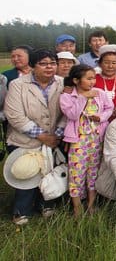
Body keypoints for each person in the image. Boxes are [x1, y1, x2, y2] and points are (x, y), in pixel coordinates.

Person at [4, 49, 66, 225]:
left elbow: (67, 112)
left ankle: (46, 205)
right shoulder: (17, 85)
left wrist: (57, 135)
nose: (49, 67)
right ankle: (21, 211)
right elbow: (15, 115)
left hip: (54, 139)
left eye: (52, 63)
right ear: (32, 66)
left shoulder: (62, 83)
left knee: (49, 172)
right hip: (24, 139)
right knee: (27, 173)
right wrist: (42, 136)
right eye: (43, 63)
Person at [60, 64, 114, 217]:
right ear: (76, 80)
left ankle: (91, 204)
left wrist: (101, 117)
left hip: (96, 139)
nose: (92, 82)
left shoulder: (100, 93)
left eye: (94, 78)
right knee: (76, 172)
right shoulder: (67, 96)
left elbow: (109, 108)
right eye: (88, 79)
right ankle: (77, 207)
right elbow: (72, 115)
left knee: (93, 171)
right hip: (78, 140)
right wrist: (83, 97)